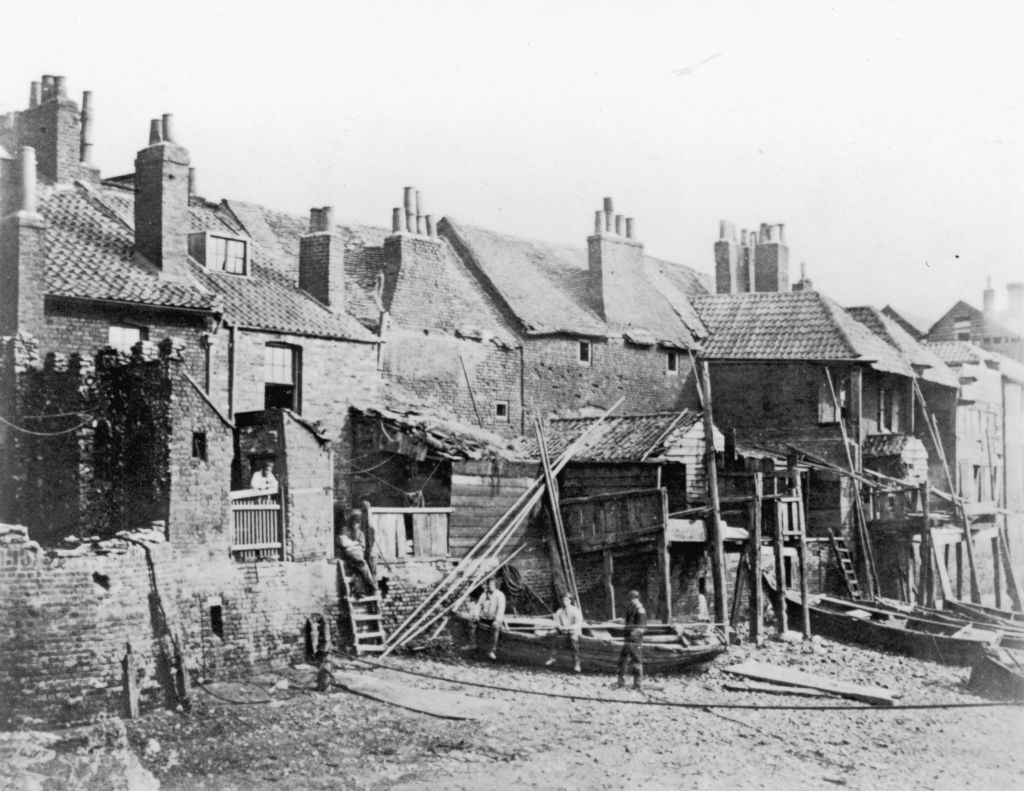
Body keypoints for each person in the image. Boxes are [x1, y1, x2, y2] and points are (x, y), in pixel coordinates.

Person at [467, 577, 506, 660]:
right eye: (488, 584)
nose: (489, 586)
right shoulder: (484, 594)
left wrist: (497, 620)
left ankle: (491, 650)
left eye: (491, 584)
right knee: (472, 622)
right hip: (484, 617)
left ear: (495, 586)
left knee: (495, 627)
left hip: (494, 618)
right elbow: (478, 605)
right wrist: (476, 615)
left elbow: (501, 609)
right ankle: (473, 644)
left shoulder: (500, 595)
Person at [617, 589, 647, 691]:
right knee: (622, 660)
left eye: (632, 599)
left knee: (636, 661)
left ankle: (638, 684)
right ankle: (621, 683)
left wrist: (632, 634)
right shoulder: (631, 610)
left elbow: (641, 628)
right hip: (628, 639)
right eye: (630, 599)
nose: (631, 601)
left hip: (635, 640)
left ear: (637, 599)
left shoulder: (640, 611)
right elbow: (628, 623)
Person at [547, 592, 583, 672]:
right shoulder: (559, 611)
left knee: (573, 640)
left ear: (570, 601)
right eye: (563, 600)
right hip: (563, 630)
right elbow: (557, 622)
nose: (564, 602)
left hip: (573, 630)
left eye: (566, 600)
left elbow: (578, 624)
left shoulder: (575, 611)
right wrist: (560, 627)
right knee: (551, 634)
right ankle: (552, 657)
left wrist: (569, 627)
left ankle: (577, 664)